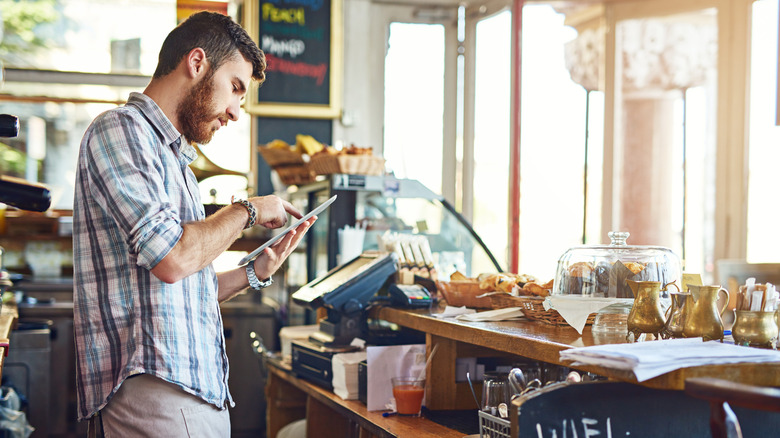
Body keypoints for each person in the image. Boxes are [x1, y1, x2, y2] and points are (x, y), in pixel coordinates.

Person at [72, 11, 312, 437]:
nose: (236, 112)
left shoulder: (175, 159)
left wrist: (254, 273)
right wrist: (248, 210)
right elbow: (174, 258)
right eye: (235, 88)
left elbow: (180, 290)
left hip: (191, 392)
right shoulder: (122, 130)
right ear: (197, 63)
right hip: (157, 391)